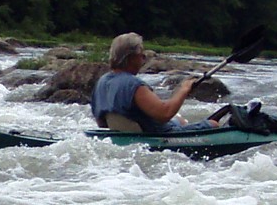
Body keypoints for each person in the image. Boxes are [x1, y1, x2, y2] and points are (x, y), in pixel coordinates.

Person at [91, 32, 219, 132]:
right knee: (213, 124)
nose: (144, 58)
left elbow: (101, 122)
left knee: (180, 120)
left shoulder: (102, 82)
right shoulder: (134, 85)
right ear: (130, 57)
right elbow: (165, 113)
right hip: (158, 133)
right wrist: (184, 90)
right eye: (142, 55)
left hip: (134, 130)